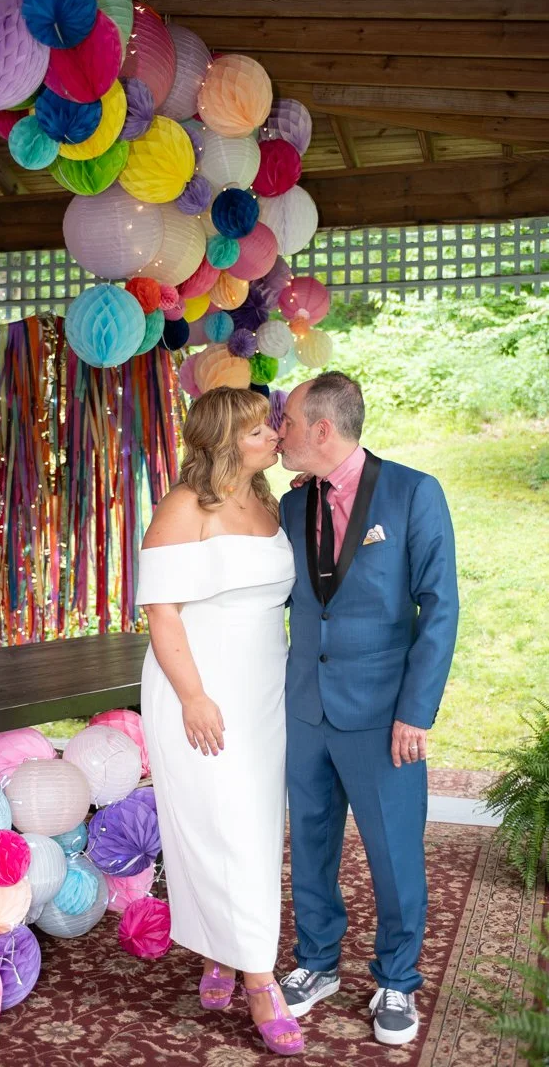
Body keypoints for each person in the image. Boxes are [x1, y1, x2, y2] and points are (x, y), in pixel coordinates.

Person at [275, 371, 459, 1046]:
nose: (279, 432)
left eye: (288, 421)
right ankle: (317, 962)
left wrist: (416, 711)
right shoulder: (290, 506)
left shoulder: (414, 493)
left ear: (323, 429)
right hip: (305, 709)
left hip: (385, 716)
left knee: (392, 853)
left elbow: (438, 609)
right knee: (311, 845)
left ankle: (396, 979)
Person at [136, 387, 302, 1056]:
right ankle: (260, 980)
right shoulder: (184, 507)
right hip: (196, 688)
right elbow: (161, 611)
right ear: (225, 437)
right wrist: (194, 697)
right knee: (218, 826)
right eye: (260, 427)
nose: (274, 433)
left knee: (256, 829)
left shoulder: (266, 501)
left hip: (264, 685)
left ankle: (220, 950)